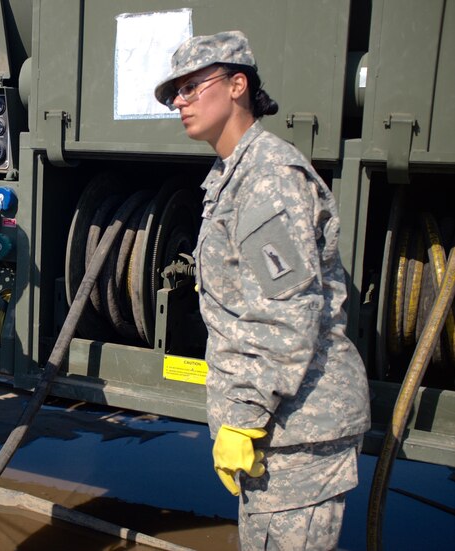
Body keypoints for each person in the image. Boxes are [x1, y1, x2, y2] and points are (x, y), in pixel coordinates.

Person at [154, 31, 370, 549]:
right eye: (172, 95)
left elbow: (286, 311)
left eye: (189, 87)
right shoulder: (233, 173)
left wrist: (245, 417)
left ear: (236, 85)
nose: (179, 102)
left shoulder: (268, 176)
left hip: (299, 428)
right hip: (277, 427)